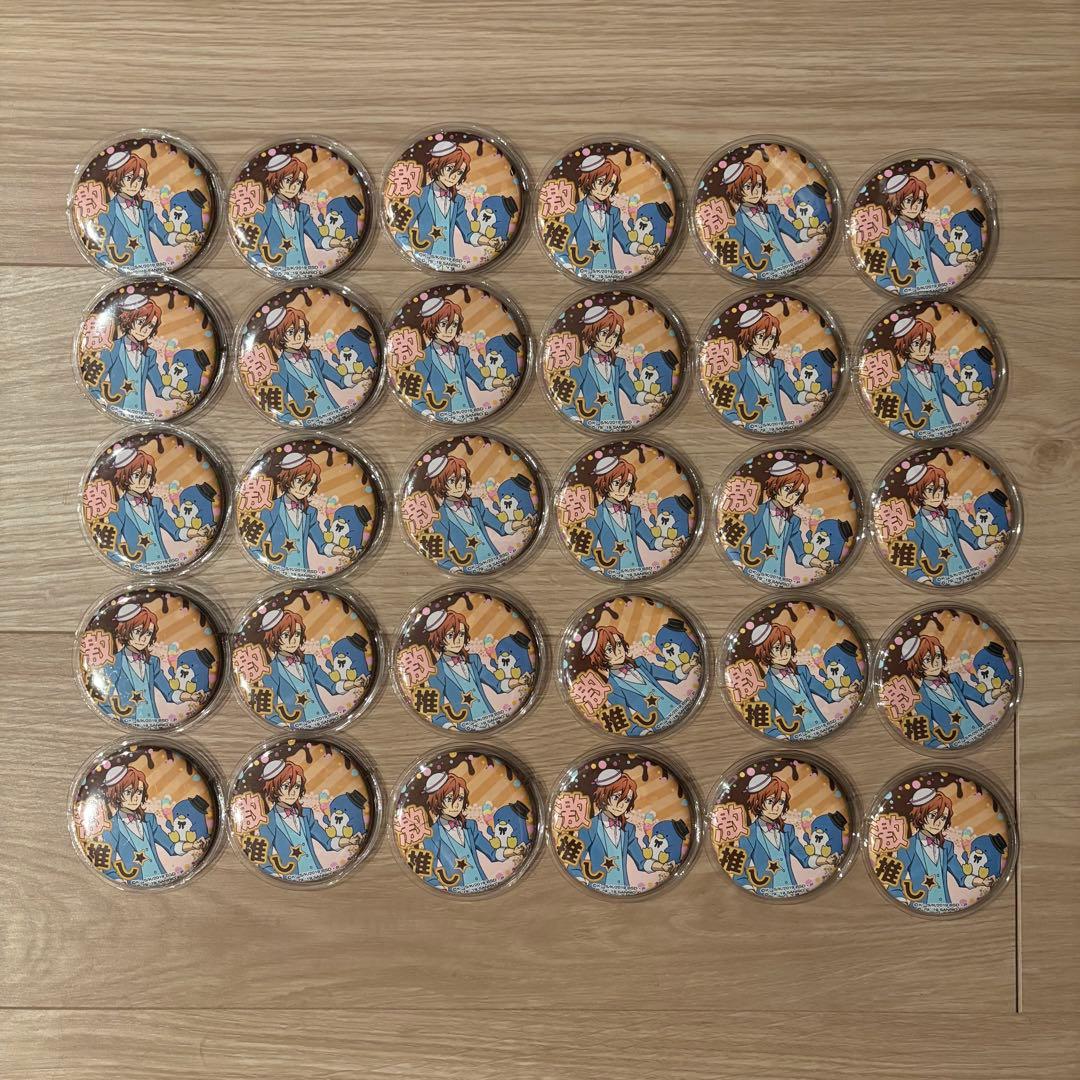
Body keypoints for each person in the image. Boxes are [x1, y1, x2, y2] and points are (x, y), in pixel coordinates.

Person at [98, 765, 206, 883]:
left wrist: (193, 845)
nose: (135, 798)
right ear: (116, 794)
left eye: (139, 792)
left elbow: (171, 846)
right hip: (136, 885)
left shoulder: (149, 819)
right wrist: (119, 881)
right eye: (128, 792)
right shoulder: (111, 827)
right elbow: (107, 863)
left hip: (162, 879)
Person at [423, 609, 527, 730]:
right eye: (450, 635)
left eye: (461, 634)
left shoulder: (473, 660)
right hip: (466, 728)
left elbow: (497, 684)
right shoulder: (436, 672)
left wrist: (518, 682)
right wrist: (452, 729)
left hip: (492, 719)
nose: (458, 640)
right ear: (438, 639)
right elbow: (436, 712)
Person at [257, 759, 362, 879]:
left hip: (318, 875)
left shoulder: (306, 814)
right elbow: (263, 858)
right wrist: (278, 877)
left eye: (297, 786)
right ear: (274, 789)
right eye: (286, 786)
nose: (293, 792)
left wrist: (349, 841)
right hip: (292, 880)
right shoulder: (268, 822)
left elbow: (327, 841)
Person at [747, 622, 854, 738]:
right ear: (765, 652)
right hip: (799, 738)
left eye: (788, 646)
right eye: (777, 648)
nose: (785, 652)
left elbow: (827, 693)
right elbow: (769, 725)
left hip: (824, 730)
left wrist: (848, 690)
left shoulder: (802, 671)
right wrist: (784, 741)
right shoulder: (766, 686)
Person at [734, 773, 835, 895]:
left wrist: (826, 860)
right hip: (766, 895)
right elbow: (739, 873)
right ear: (758, 801)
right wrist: (751, 893)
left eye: (781, 802)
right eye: (770, 801)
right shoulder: (748, 835)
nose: (776, 807)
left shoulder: (788, 830)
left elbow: (805, 858)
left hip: (793, 892)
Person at [96, 150, 201, 267]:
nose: (135, 184)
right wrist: (115, 268)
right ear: (116, 178)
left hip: (152, 266)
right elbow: (100, 249)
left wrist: (187, 238)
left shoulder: (146, 207)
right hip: (127, 270)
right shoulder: (107, 212)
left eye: (139, 179)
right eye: (129, 178)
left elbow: (165, 235)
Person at [421, 771, 526, 889]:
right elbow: (428, 873)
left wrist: (514, 851)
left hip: (483, 886)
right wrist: (442, 890)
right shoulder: (431, 835)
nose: (456, 804)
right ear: (437, 801)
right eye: (449, 799)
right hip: (457, 892)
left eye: (460, 798)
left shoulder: (470, 826)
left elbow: (492, 852)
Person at [574, 769, 675, 890]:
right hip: (597, 889)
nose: (622, 804)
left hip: (624, 890)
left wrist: (663, 867)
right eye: (616, 797)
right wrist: (580, 881)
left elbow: (641, 861)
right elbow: (575, 860)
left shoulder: (628, 829)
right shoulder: (589, 827)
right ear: (603, 795)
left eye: (627, 800)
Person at [891, 787, 992, 908]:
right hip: (919, 908)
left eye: (943, 818)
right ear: (920, 814)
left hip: (945, 907)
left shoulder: (947, 846)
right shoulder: (908, 847)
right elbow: (895, 882)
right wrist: (901, 903)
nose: (938, 822)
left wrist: (982, 881)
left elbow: (961, 876)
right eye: (933, 815)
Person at [258, 608, 359, 727]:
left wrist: (354, 684)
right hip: (299, 728)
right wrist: (285, 727)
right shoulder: (271, 672)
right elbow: (269, 709)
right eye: (286, 635)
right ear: (274, 638)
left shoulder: (309, 660)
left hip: (326, 721)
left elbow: (331, 685)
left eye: (297, 634)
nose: (293, 640)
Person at [875, 173, 975, 293]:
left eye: (919, 201)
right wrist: (894, 292)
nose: (915, 206)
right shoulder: (889, 234)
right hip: (909, 294)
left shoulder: (927, 228)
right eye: (908, 200)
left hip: (935, 289)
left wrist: (966, 257)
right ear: (896, 201)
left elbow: (946, 256)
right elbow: (882, 275)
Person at [900, 634, 1006, 746]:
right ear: (916, 665)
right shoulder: (922, 697)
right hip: (958, 745)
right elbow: (928, 735)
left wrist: (999, 692)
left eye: (938, 656)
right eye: (927, 659)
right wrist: (942, 748)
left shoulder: (954, 679)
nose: (936, 662)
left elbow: (980, 697)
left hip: (981, 734)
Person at [720, 161, 821, 277]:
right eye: (748, 186)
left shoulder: (772, 210)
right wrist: (749, 277)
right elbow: (735, 259)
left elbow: (795, 233)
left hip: (791, 268)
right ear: (736, 190)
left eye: (758, 185)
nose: (755, 191)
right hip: (766, 276)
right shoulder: (736, 223)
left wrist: (816, 231)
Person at [562, 155, 657, 275]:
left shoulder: (613, 212)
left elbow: (627, 243)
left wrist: (647, 249)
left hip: (610, 274)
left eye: (611, 184)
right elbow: (562, 245)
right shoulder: (575, 212)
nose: (606, 189)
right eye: (601, 182)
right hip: (585, 273)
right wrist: (567, 266)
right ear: (588, 180)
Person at [582, 455, 674, 576]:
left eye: (627, 484)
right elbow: (586, 553)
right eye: (617, 483)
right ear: (604, 483)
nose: (623, 489)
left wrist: (673, 543)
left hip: (639, 573)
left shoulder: (634, 511)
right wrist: (596, 572)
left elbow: (651, 540)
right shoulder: (596, 515)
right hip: (613, 575)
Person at [253, 154, 346, 272]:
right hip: (279, 271)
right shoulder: (264, 211)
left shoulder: (302, 209)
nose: (294, 187)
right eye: (288, 180)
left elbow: (318, 239)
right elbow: (253, 246)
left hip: (304, 270)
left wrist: (339, 243)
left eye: (298, 182)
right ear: (275, 179)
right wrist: (263, 267)